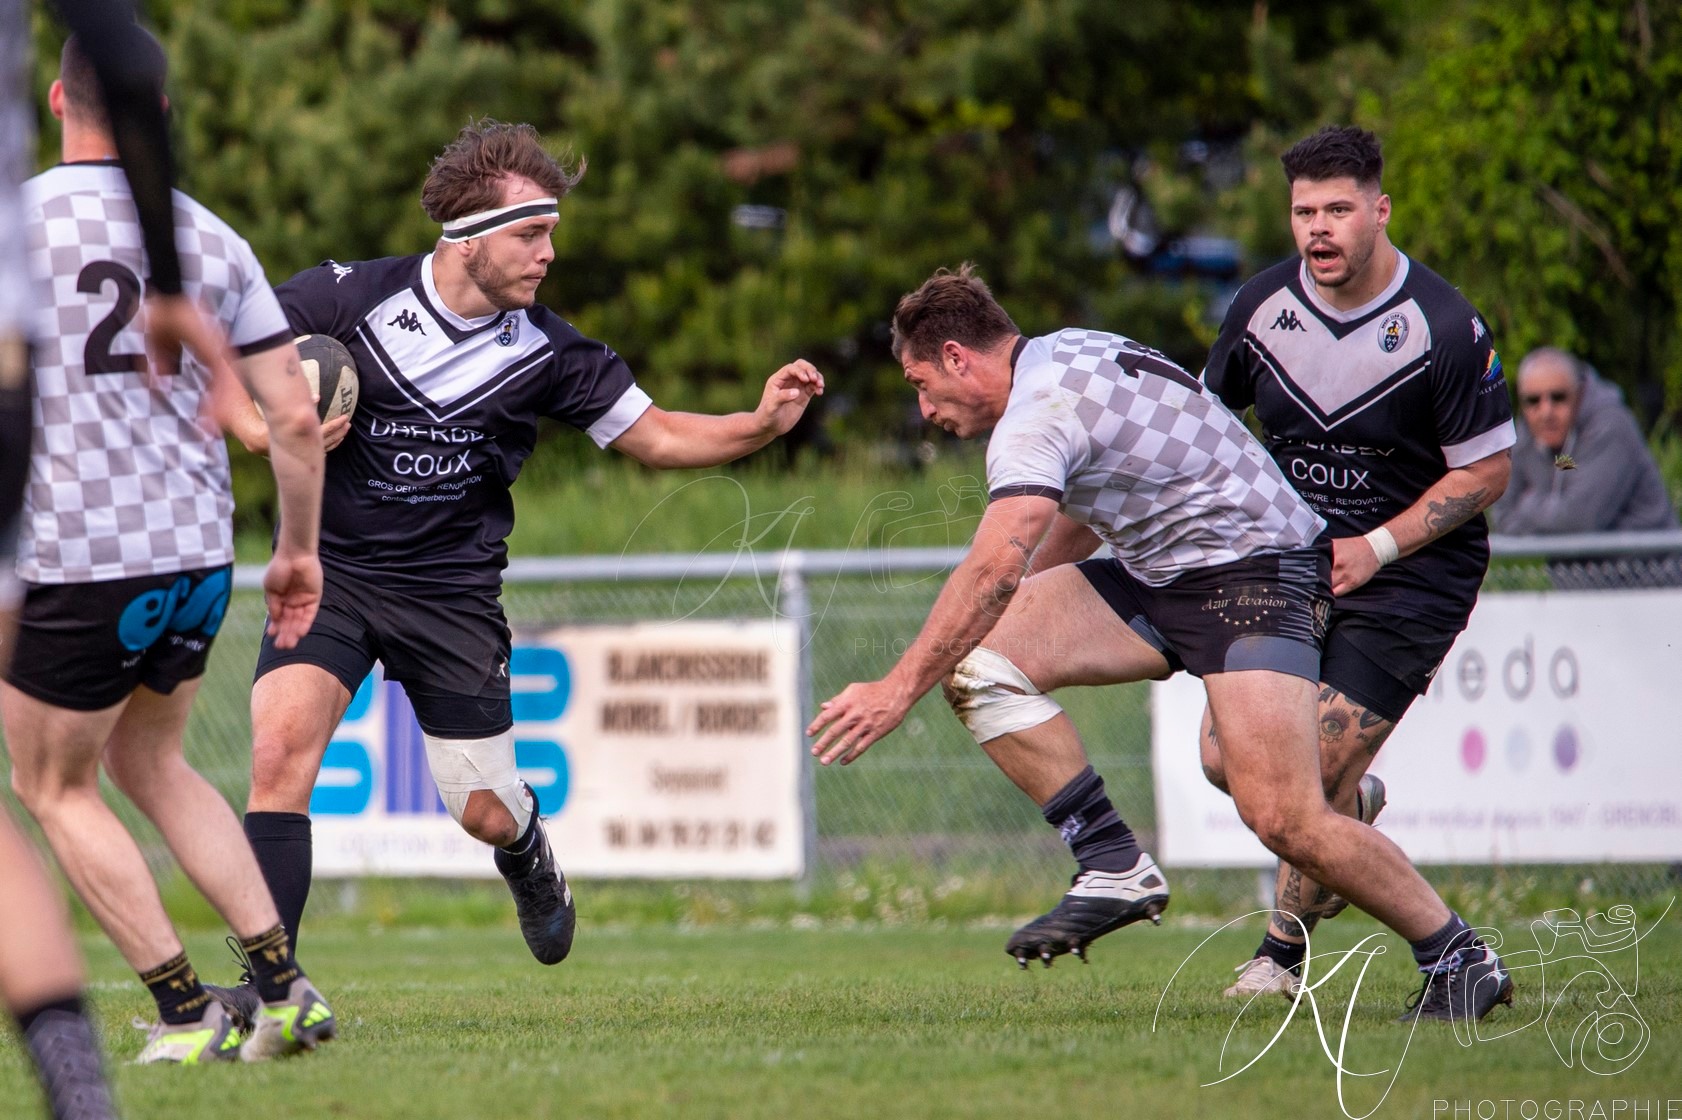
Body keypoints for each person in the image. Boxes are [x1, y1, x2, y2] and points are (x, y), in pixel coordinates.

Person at [205, 119, 822, 1015]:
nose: (548, 253)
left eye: (552, 234)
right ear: (467, 235)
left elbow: (654, 437)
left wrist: (757, 425)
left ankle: (527, 848)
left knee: (482, 811)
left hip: (452, 598)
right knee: (277, 754)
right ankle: (271, 991)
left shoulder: (548, 352)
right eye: (531, 233)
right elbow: (226, 359)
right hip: (335, 576)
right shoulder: (344, 300)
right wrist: (261, 429)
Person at [809, 263, 1515, 1024]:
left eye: (921, 383)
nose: (924, 409)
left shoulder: (1035, 413)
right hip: (1168, 574)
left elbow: (991, 569)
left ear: (956, 356)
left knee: (1286, 819)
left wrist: (894, 691)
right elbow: (1063, 529)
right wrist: (1002, 605)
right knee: (981, 663)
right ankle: (1113, 861)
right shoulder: (1068, 351)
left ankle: (1459, 957)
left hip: (1255, 575)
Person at [2, 28, 337, 1065]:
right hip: (191, 556)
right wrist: (297, 552)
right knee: (154, 759)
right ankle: (285, 990)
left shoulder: (17, 222)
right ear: (161, 112)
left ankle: (189, 1012)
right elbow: (291, 416)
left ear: (58, 99)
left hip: (71, 556)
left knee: (53, 787)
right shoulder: (211, 237)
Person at [1200, 125, 1516, 1011]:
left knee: (1305, 771)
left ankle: (1282, 958)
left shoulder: (1444, 326)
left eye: (1339, 209)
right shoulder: (1261, 309)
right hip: (1291, 570)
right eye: (1305, 211)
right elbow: (1205, 429)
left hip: (1411, 582)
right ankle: (1348, 811)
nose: (1320, 228)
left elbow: (1488, 470)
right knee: (1227, 759)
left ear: (1379, 210)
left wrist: (1378, 547)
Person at [1493, 346, 1677, 534]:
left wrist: (1528, 505)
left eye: (1558, 397)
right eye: (1533, 400)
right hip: (1573, 562)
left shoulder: (1610, 425)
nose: (1546, 412)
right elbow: (1502, 514)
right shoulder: (1528, 430)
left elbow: (1580, 521)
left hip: (1645, 561)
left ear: (1579, 393)